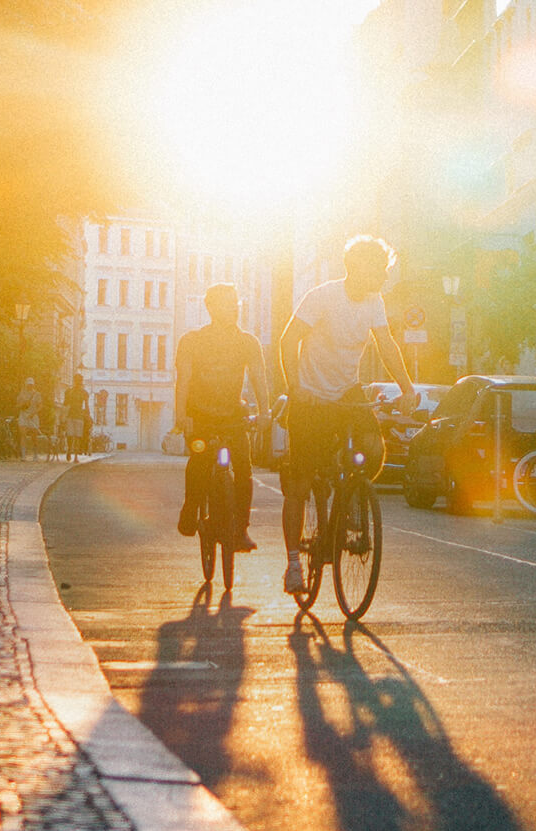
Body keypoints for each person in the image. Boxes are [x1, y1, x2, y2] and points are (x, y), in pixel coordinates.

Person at [278, 235, 417, 594]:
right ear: (357, 267)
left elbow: (387, 345)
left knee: (373, 450)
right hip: (310, 396)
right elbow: (288, 340)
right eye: (380, 270)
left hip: (346, 390)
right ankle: (293, 562)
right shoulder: (322, 297)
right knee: (299, 483)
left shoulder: (375, 302)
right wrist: (295, 388)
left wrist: (407, 388)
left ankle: (352, 498)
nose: (385, 277)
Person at [174, 284, 270, 552]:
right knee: (200, 460)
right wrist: (182, 415)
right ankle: (191, 506)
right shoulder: (192, 341)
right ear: (211, 308)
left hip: (233, 415)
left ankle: (240, 530)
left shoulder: (248, 342)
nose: (234, 309)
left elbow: (259, 379)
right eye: (227, 304)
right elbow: (183, 380)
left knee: (243, 470)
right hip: (200, 415)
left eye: (235, 304)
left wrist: (265, 412)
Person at [63, 375, 91, 462]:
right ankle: (69, 449)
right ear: (75, 381)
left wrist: (87, 414)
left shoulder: (84, 393)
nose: (78, 382)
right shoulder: (69, 391)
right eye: (77, 380)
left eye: (79, 381)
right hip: (71, 415)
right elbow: (65, 403)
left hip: (79, 416)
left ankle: (75, 456)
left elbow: (86, 405)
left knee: (77, 436)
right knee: (70, 435)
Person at [16, 377, 43, 460]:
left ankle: (35, 454)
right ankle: (23, 455)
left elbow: (40, 406)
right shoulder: (22, 394)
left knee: (34, 436)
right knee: (23, 434)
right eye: (28, 384)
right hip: (23, 415)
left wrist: (34, 413)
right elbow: (17, 405)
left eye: (31, 384)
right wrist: (23, 404)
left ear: (33, 385)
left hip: (33, 416)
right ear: (26, 384)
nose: (29, 386)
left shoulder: (37, 394)